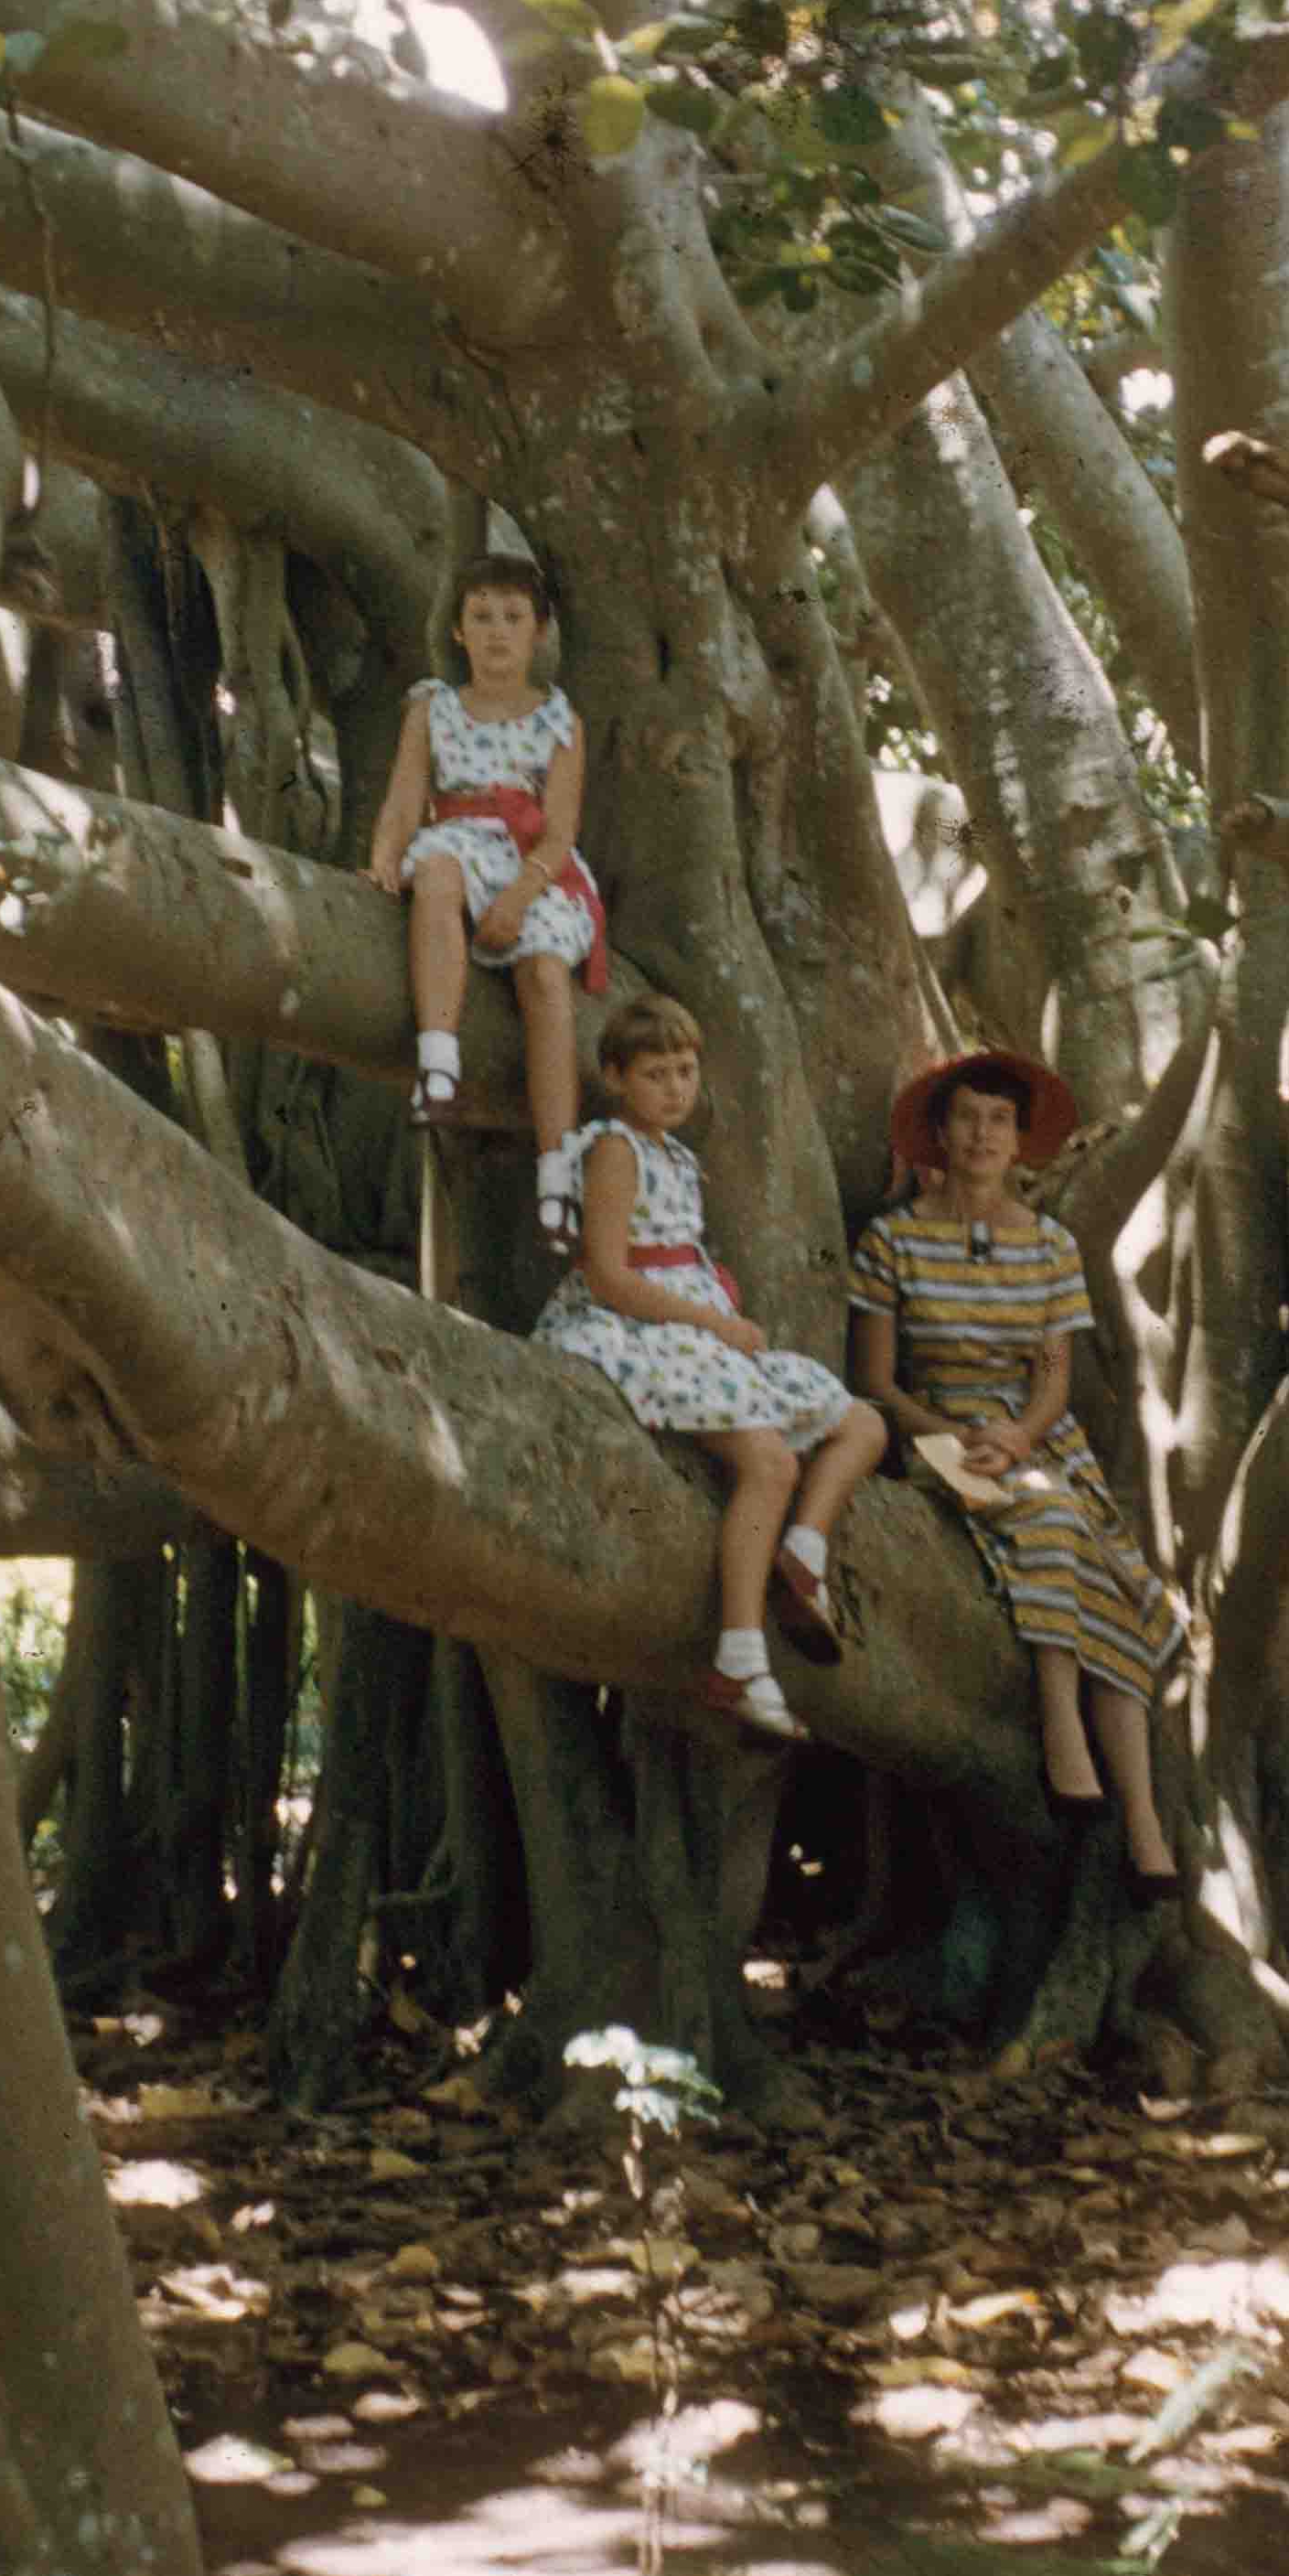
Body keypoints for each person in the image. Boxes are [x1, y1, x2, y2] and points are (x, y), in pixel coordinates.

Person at [848, 1048, 1195, 1900]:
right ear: (940, 1131)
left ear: (1019, 1139)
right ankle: (1060, 1732)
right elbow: (877, 1383)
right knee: (1051, 1523)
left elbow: (1054, 1379)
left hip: (1035, 1440)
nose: (982, 1135)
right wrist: (959, 1435)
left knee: (1118, 1582)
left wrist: (1018, 1434)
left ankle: (1145, 1828)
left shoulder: (1048, 1246)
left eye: (999, 1121)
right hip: (935, 1436)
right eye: (966, 1117)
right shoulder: (892, 1240)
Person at [536, 999, 886, 1741]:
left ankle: (801, 1555)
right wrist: (713, 1323)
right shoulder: (615, 1151)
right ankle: (738, 1656)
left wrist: (719, 1325)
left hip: (698, 1330)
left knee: (861, 1422)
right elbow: (606, 1275)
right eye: (655, 1074)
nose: (674, 1087)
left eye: (686, 1071)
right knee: (767, 1462)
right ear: (615, 1078)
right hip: (634, 1327)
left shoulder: (679, 1158)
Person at [364, 552, 600, 1243]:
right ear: (460, 630)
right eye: (482, 617)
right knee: (435, 870)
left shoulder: (559, 721)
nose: (498, 632)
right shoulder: (433, 707)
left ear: (539, 632)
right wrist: (383, 862)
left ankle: (558, 1167)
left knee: (546, 976)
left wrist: (520, 900)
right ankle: (438, 1059)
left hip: (531, 863)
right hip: (458, 841)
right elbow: (406, 798)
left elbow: (559, 832)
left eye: (513, 617)